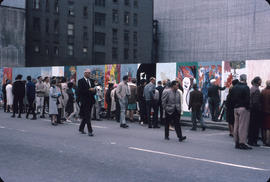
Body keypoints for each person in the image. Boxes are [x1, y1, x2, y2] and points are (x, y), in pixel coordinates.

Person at [230, 74, 252, 150]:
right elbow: (247, 99)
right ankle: (242, 142)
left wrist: (234, 106)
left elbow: (231, 98)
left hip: (235, 108)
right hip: (243, 108)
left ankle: (236, 141)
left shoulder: (234, 87)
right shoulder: (246, 87)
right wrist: (247, 107)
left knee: (236, 125)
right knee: (243, 126)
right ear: (245, 79)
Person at [78, 69, 96, 136]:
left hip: (91, 100)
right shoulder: (80, 81)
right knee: (88, 116)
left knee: (86, 116)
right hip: (84, 100)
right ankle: (90, 130)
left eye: (89, 73)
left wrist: (93, 90)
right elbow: (80, 91)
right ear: (84, 73)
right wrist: (89, 90)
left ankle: (81, 128)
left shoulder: (91, 81)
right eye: (88, 73)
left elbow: (94, 90)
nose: (89, 74)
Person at [248, 77, 262, 146]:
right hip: (255, 110)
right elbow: (256, 102)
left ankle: (250, 140)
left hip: (251, 109)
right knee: (255, 126)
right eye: (260, 81)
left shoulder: (252, 88)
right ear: (258, 82)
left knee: (251, 126)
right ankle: (253, 141)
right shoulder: (256, 90)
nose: (261, 82)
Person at [261, 80, 270, 147]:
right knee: (268, 128)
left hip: (263, 111)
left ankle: (264, 140)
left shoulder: (263, 91)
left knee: (264, 127)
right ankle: (268, 141)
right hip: (268, 112)